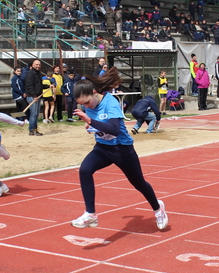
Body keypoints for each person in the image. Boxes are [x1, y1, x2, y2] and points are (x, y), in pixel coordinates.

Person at [71, 68, 168, 230]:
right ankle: (91, 214)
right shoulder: (88, 105)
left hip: (122, 149)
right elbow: (96, 122)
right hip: (103, 148)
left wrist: (92, 122)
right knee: (85, 170)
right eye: (82, 105)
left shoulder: (111, 103)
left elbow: (115, 129)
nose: (86, 106)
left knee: (139, 184)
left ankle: (158, 209)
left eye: (87, 103)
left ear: (95, 92)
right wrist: (90, 125)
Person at [24, 59, 44, 136]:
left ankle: (34, 129)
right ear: (32, 65)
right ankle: (32, 129)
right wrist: (34, 96)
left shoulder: (38, 74)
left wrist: (48, 86)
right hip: (32, 96)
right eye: (36, 64)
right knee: (34, 113)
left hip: (38, 96)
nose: (38, 66)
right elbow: (30, 86)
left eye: (39, 65)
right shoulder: (30, 74)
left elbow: (39, 85)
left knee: (36, 114)